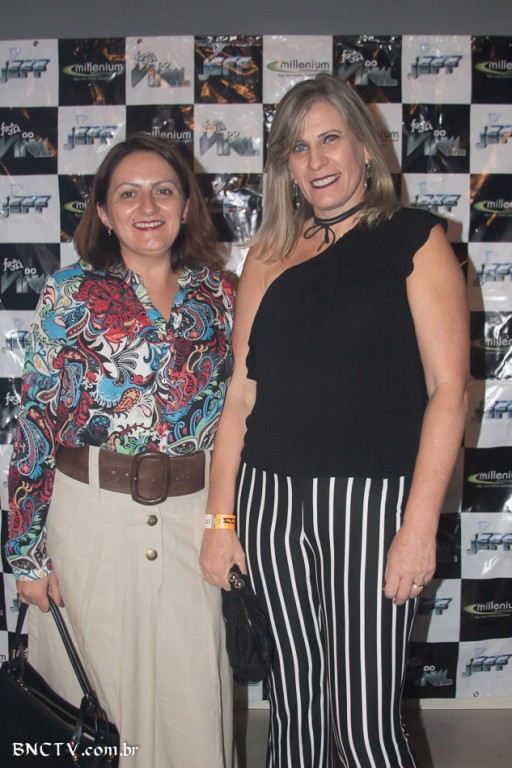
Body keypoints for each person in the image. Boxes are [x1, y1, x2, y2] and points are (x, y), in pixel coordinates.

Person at [200, 73, 469, 768]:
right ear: (284, 166)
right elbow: (240, 398)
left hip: (372, 508)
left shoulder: (416, 241)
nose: (316, 160)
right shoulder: (266, 257)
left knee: (363, 728)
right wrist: (220, 523)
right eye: (298, 147)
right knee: (294, 714)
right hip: (268, 505)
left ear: (366, 149)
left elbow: (448, 392)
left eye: (329, 140)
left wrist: (418, 528)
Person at [6, 133, 236, 768]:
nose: (148, 206)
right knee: (96, 709)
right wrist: (26, 555)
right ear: (104, 213)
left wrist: (225, 524)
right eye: (128, 194)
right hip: (89, 524)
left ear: (186, 204)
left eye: (164, 190)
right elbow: (35, 423)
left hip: (192, 524)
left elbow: (239, 421)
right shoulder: (68, 294)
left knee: (190, 706)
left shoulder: (223, 296)